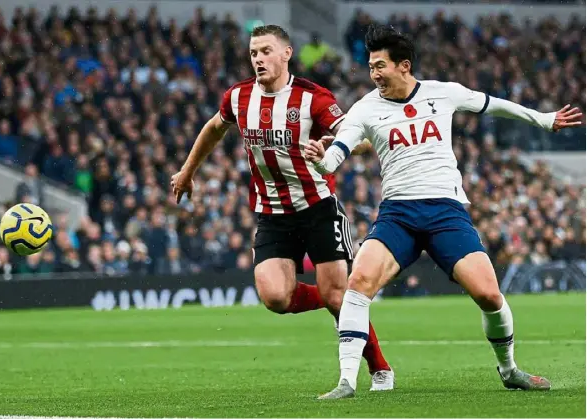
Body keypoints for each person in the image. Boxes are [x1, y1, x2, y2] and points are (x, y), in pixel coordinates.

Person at [305, 24, 582, 399]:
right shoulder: (365, 108)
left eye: (380, 66)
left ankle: (510, 369)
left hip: (446, 213)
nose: (374, 74)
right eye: (370, 67)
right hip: (398, 215)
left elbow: (493, 104)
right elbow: (338, 152)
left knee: (488, 294)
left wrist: (543, 119)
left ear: (404, 66)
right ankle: (346, 382)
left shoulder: (444, 93)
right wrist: (323, 162)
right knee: (358, 283)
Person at [171, 24, 394, 391]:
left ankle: (380, 368)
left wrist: (333, 148)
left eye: (265, 51)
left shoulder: (313, 98)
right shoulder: (239, 97)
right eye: (253, 52)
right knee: (276, 297)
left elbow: (363, 139)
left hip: (318, 206)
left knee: (338, 297)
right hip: (272, 213)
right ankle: (334, 295)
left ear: (286, 53)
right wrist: (187, 171)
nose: (258, 58)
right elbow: (214, 128)